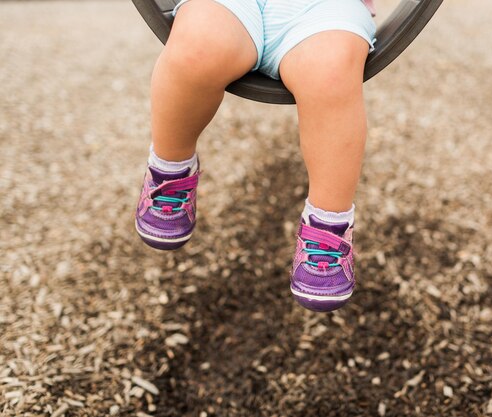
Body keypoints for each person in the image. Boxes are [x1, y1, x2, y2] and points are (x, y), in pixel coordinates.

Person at [135, 0, 376, 312]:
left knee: (330, 72)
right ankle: (171, 167)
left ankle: (329, 222)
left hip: (324, 7)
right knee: (198, 47)